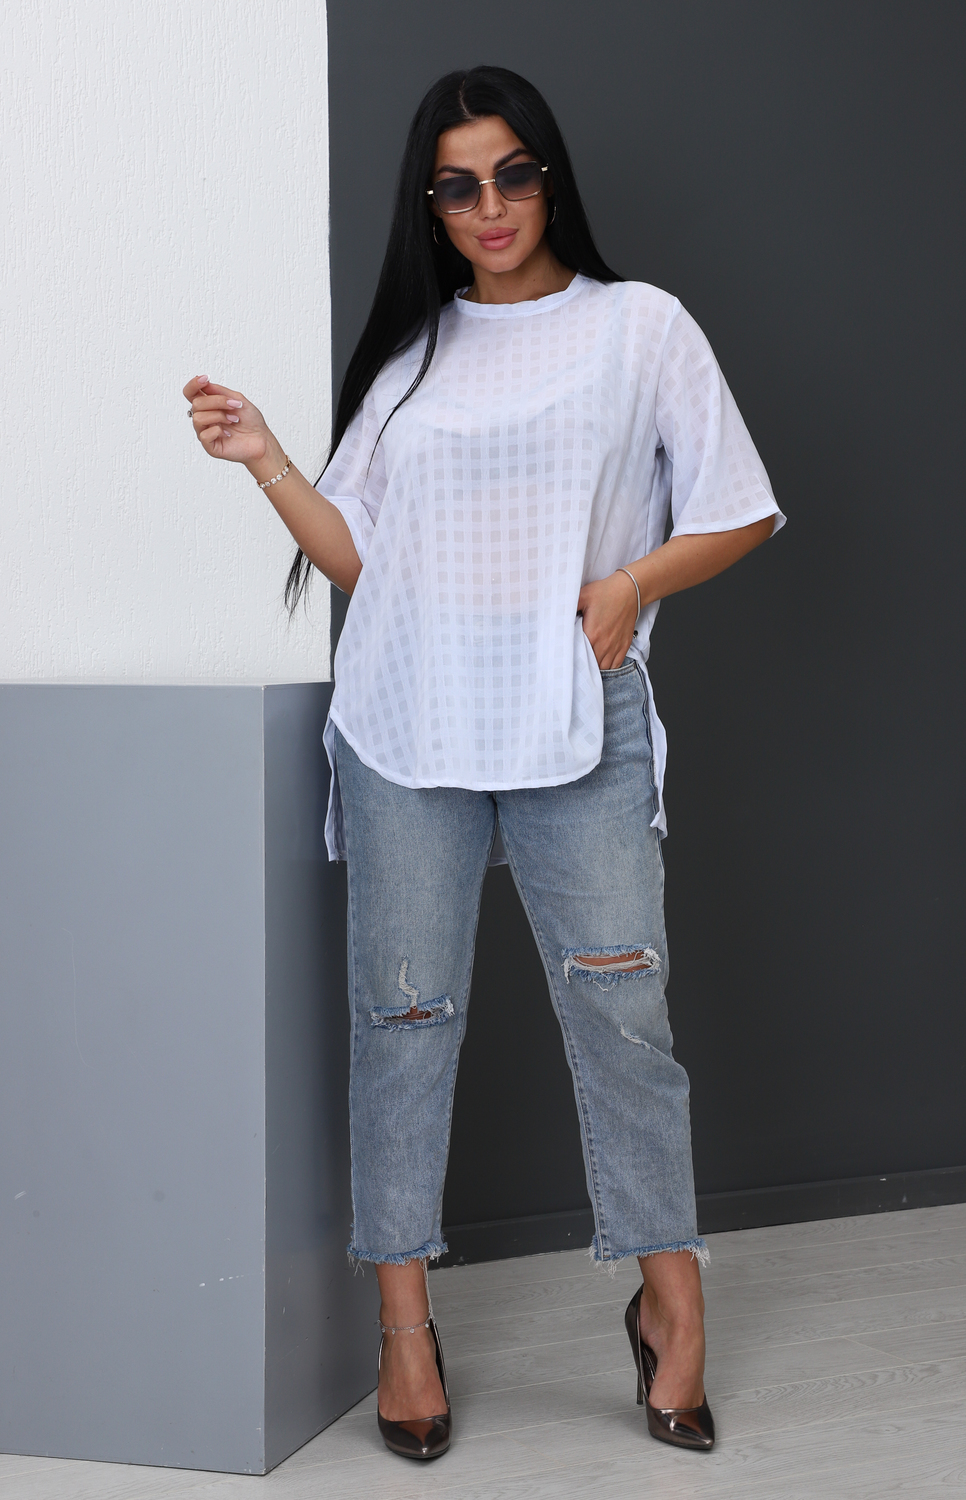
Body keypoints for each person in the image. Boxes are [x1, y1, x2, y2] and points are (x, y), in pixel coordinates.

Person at [182, 65, 784, 1463]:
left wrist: (630, 585)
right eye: (459, 186)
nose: (492, 206)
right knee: (402, 1022)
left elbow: (742, 508)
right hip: (407, 722)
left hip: (577, 711)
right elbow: (362, 562)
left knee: (624, 1013)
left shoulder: (638, 327)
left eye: (513, 174)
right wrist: (268, 459)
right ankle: (405, 1330)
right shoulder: (415, 359)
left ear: (548, 177)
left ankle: (672, 1304)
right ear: (432, 204)